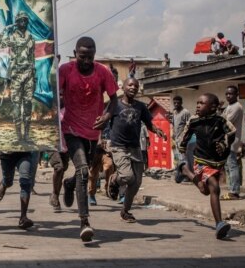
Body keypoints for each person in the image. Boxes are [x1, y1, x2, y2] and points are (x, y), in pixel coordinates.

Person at [54, 36, 118, 241]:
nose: (86, 60)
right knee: (83, 170)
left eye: (90, 56)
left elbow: (114, 100)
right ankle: (84, 222)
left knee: (85, 172)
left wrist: (107, 117)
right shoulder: (66, 70)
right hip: (71, 128)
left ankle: (69, 184)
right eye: (82, 56)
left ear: (94, 55)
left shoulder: (102, 72)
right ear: (75, 54)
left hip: (93, 131)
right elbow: (54, 94)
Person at [98, 78, 166, 224]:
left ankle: (125, 211)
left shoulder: (141, 107)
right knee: (128, 177)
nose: (133, 88)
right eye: (130, 85)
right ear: (123, 87)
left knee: (136, 183)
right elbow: (103, 121)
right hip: (118, 146)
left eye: (136, 86)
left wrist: (157, 130)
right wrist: (99, 138)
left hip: (135, 147)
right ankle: (114, 179)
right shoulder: (114, 104)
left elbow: (149, 124)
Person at [177, 93, 236, 239]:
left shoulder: (220, 120)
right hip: (201, 160)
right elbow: (185, 137)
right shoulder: (193, 120)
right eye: (197, 103)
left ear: (213, 107)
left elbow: (232, 132)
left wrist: (223, 144)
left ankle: (185, 171)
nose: (197, 106)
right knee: (215, 187)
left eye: (201, 103)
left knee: (205, 191)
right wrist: (182, 150)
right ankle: (219, 224)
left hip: (217, 161)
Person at [0, 11, 36, 142]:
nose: (23, 22)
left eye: (25, 20)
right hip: (16, 75)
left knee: (28, 104)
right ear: (17, 22)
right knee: (16, 105)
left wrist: (34, 76)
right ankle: (19, 136)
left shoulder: (31, 38)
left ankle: (27, 135)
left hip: (28, 74)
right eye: (21, 20)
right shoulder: (12, 37)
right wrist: (6, 29)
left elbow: (32, 57)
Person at [0, 151, 39, 229]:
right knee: (8, 181)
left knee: (26, 181)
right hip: (6, 154)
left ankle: (23, 217)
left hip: (24, 153)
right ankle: (4, 184)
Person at [221, 86, 244, 200]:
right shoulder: (229, 107)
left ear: (236, 95)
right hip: (227, 140)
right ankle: (232, 190)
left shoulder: (236, 107)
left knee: (232, 165)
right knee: (228, 166)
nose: (228, 96)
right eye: (227, 94)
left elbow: (225, 122)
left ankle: (234, 191)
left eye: (231, 94)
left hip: (232, 140)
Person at [170, 95, 194, 183]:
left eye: (178, 102)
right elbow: (173, 124)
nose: (176, 104)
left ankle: (188, 176)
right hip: (176, 140)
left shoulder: (185, 112)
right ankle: (181, 175)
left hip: (184, 140)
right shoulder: (174, 112)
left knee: (185, 158)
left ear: (181, 102)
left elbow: (190, 125)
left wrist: (185, 138)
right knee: (178, 159)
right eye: (174, 102)